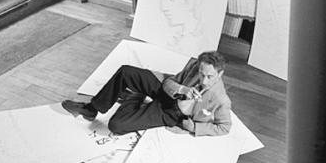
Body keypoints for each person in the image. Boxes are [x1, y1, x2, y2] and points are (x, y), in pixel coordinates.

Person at [62, 50, 232, 137]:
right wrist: (182, 89)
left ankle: (134, 96)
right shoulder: (196, 65)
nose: (204, 80)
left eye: (210, 77)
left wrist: (194, 127)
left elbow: (224, 128)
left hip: (172, 113)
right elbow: (169, 82)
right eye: (202, 74)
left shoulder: (221, 100)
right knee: (126, 72)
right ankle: (92, 108)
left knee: (116, 126)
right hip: (169, 93)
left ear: (220, 74)